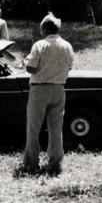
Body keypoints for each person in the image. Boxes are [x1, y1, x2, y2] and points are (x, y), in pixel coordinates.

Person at [21, 13, 74, 176]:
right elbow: (69, 66)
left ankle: (32, 163)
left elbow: (31, 68)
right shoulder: (67, 46)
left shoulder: (39, 45)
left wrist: (24, 62)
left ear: (45, 29)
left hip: (40, 88)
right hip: (59, 88)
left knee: (33, 127)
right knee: (56, 127)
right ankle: (55, 162)